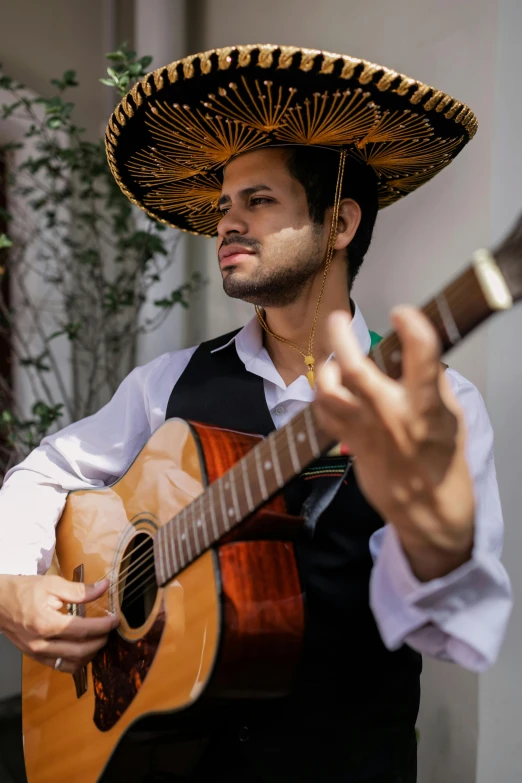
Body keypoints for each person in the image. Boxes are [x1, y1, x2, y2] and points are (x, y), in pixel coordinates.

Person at [0, 44, 512, 782]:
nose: (227, 224)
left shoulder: (433, 406)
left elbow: (451, 629)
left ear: (338, 223)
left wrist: (436, 544)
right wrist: (13, 582)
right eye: (222, 207)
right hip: (163, 761)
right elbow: (41, 472)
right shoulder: (166, 383)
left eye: (258, 201)